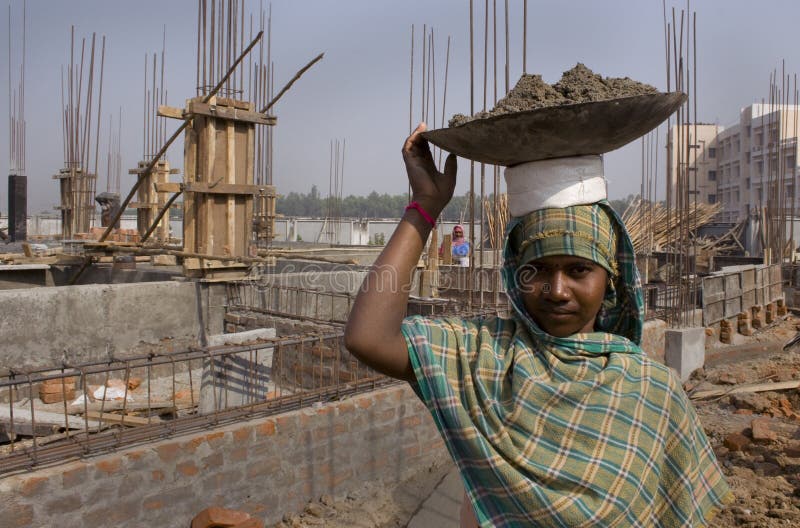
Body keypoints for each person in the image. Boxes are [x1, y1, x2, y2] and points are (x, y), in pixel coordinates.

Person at [344, 123, 732, 527]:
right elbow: (367, 337)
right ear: (516, 275)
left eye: (579, 269)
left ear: (611, 277)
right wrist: (424, 206)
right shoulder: (484, 355)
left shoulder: (652, 392)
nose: (557, 290)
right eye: (537, 270)